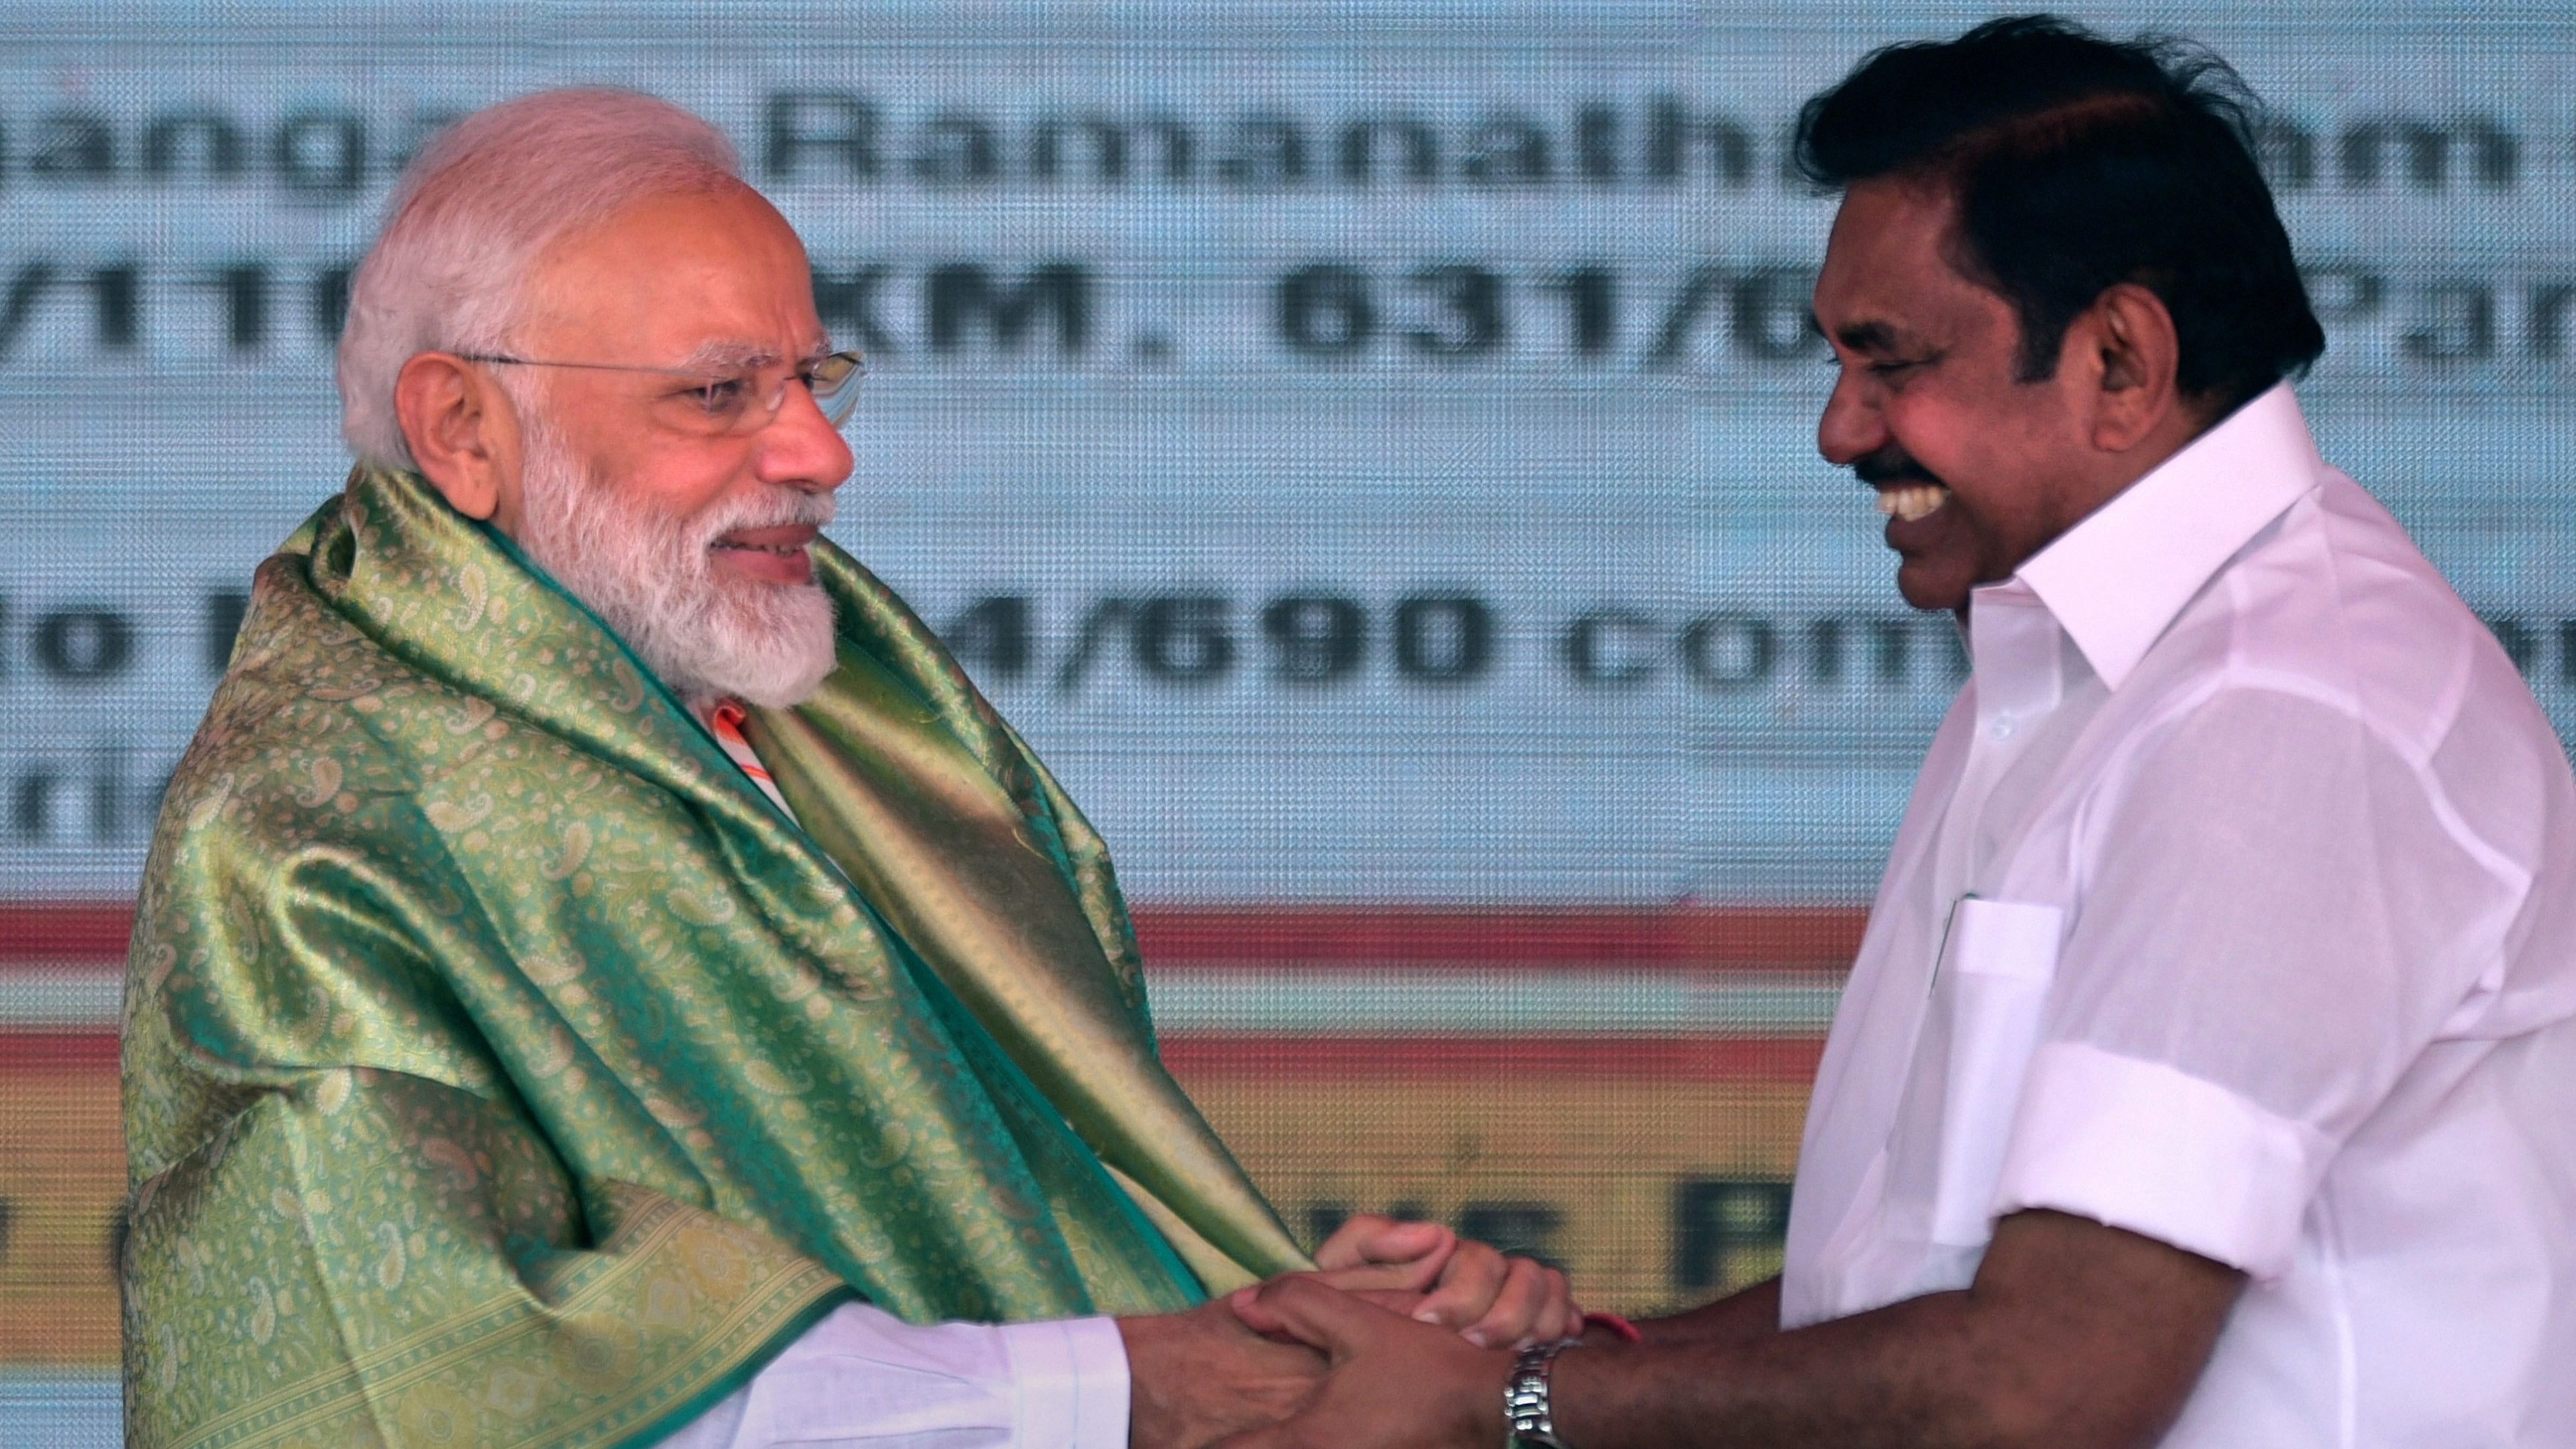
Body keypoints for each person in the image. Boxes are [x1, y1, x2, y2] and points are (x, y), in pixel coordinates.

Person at [119, 89, 1578, 1449]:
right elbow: (435, 1375)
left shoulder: (844, 710)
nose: (821, 452)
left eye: (815, 378)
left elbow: (984, 1227)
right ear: (464, 429)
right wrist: (1135, 1385)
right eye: (719, 392)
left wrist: (1294, 1315)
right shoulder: (316, 822)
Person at [1223, 17, 2576, 1448]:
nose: (1838, 427)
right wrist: (1565, 1351)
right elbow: (1909, 1288)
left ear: (2120, 357)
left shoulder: (2280, 711)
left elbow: (2045, 1382)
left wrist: (1509, 1410)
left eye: (1889, 361)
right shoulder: (2074, 663)